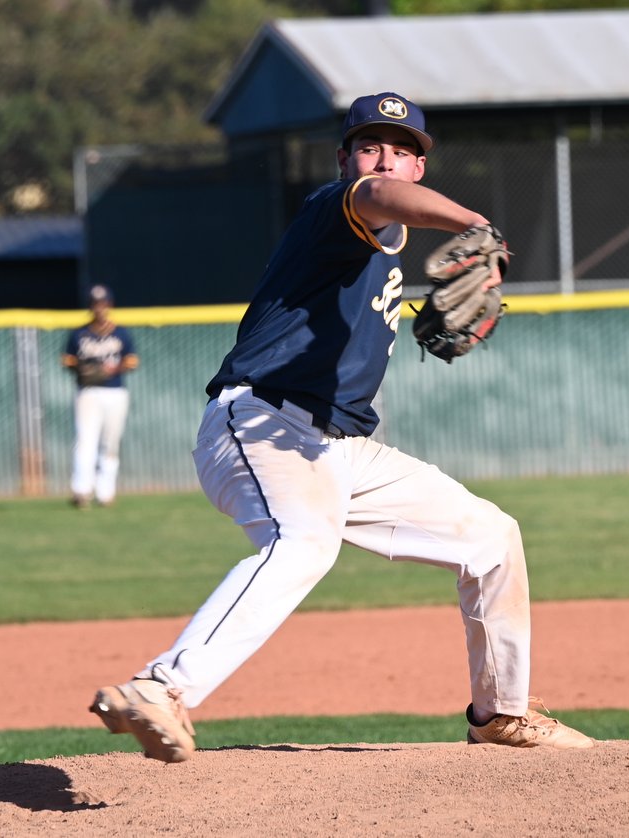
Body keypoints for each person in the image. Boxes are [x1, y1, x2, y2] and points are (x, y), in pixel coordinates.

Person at [90, 92, 594, 761]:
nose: (386, 157)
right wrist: (476, 222)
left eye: (404, 148)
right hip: (260, 419)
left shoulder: (385, 248)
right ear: (346, 159)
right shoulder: (339, 207)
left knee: (493, 539)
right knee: (303, 541)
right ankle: (162, 687)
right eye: (370, 144)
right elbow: (377, 192)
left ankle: (500, 713)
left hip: (337, 447)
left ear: (421, 164)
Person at [61, 284, 138, 509]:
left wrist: (113, 369)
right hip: (87, 392)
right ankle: (82, 490)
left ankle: (106, 493)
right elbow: (66, 359)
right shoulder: (79, 334)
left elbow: (133, 361)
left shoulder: (120, 333)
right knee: (85, 440)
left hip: (115, 391)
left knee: (110, 443)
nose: (100, 308)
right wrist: (83, 366)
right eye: (96, 304)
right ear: (91, 307)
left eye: (103, 304)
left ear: (109, 305)